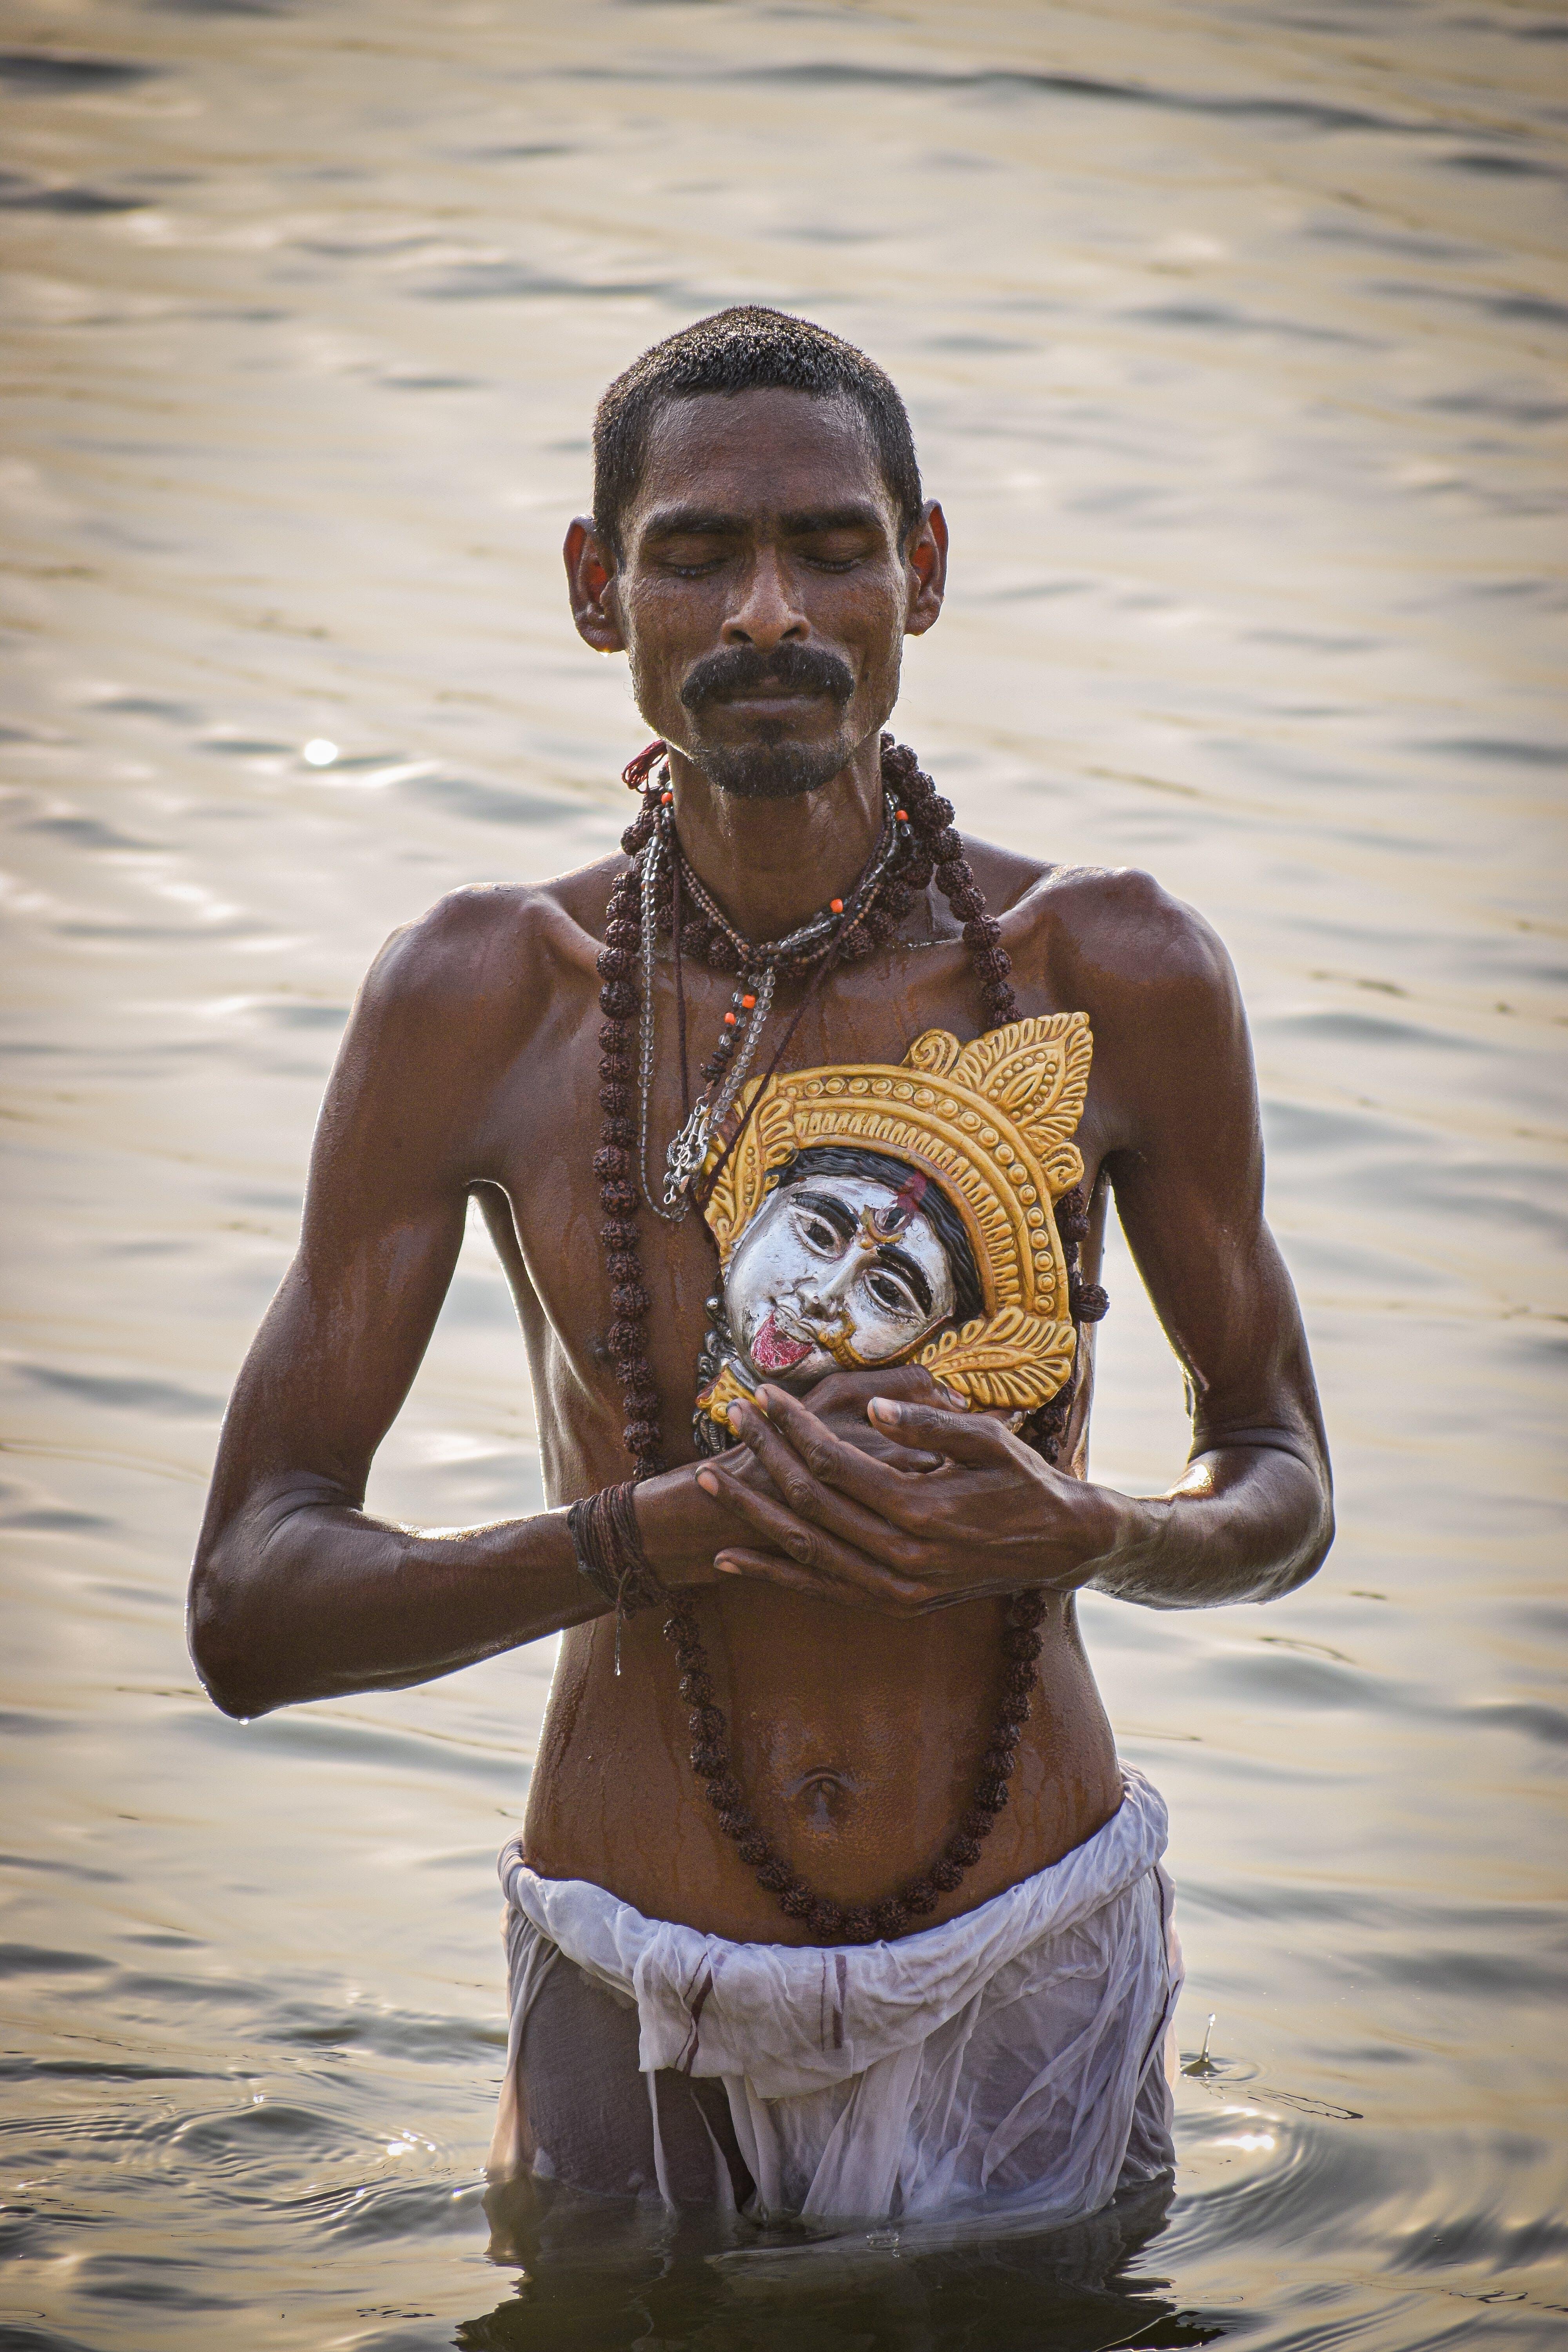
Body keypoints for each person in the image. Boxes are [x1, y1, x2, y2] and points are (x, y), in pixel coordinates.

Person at [188, 307, 1333, 2229]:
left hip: (1023, 1941)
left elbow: (1282, 1481)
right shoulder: (479, 1000)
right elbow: (251, 1605)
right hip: (621, 1963)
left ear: (926, 572)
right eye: (699, 554)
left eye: (831, 547)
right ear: (594, 588)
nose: (766, 614)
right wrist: (652, 1535)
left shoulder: (1114, 973)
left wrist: (1087, 1533)